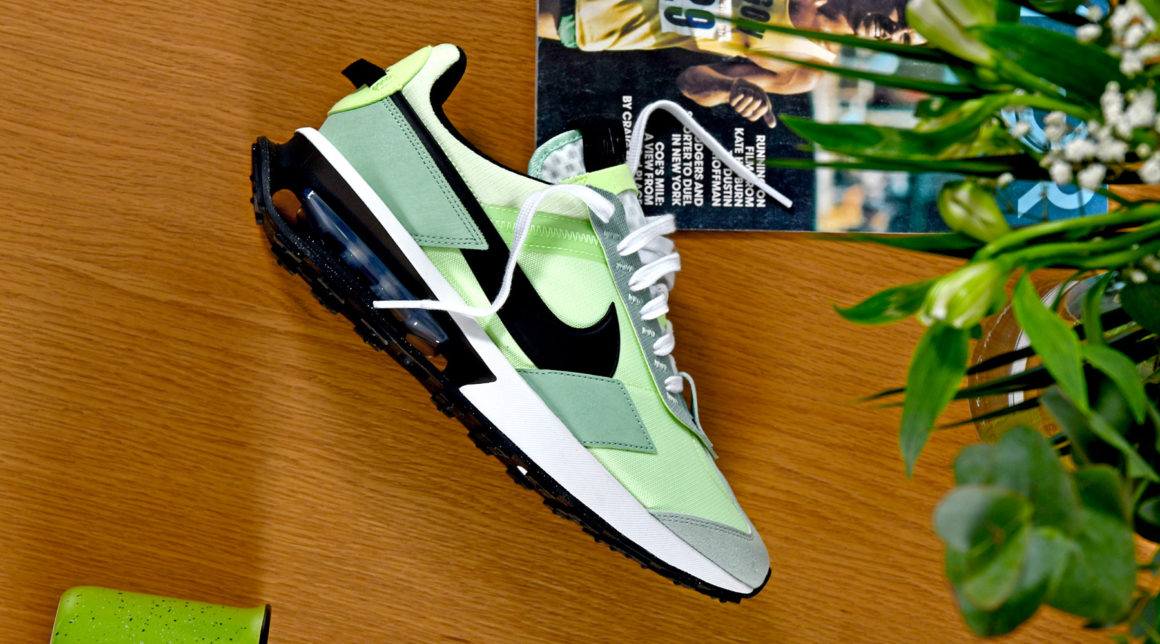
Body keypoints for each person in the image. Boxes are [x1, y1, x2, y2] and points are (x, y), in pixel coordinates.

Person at [538, 0, 920, 126]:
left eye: (904, 38)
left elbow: (691, 80)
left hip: (604, 16)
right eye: (903, 14)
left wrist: (729, 88)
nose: (894, 30)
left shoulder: (806, 70)